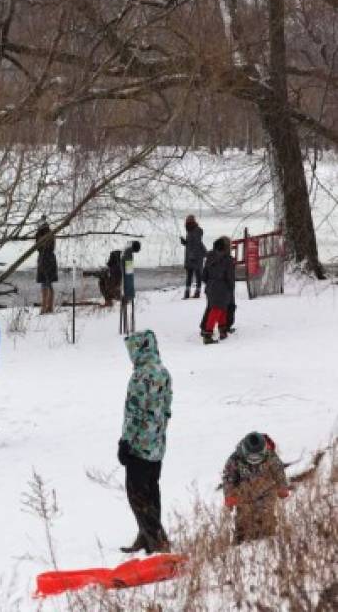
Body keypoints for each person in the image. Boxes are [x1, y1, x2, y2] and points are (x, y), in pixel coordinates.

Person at [117, 329, 172, 555]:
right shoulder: (163, 372)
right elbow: (166, 408)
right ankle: (146, 536)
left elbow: (134, 413)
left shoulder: (141, 376)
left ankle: (157, 543)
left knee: (138, 495)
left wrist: (125, 442)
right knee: (151, 491)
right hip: (157, 444)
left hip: (140, 445)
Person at [222, 432, 290, 544]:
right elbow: (228, 478)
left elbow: (279, 471)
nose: (255, 460)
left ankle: (268, 539)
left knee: (265, 515)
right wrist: (229, 496)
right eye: (252, 457)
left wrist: (282, 487)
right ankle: (241, 543)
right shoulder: (235, 459)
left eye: (258, 456)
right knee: (243, 520)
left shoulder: (270, 456)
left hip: (266, 491)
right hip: (244, 494)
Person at [201, 236, 234, 344]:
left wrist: (210, 283)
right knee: (217, 310)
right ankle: (208, 334)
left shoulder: (209, 256)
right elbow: (229, 276)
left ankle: (222, 330)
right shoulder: (227, 259)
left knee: (221, 309)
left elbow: (204, 275)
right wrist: (230, 287)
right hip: (222, 287)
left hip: (210, 286)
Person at [180, 215, 207, 299]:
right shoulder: (189, 230)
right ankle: (187, 293)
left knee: (198, 274)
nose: (186, 223)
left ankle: (197, 293)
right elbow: (190, 243)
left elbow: (197, 244)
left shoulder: (197, 230)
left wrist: (193, 255)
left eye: (188, 221)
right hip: (190, 256)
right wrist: (184, 242)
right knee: (189, 275)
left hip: (197, 256)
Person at [36, 222, 58, 314]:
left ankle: (46, 308)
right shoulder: (48, 234)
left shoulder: (48, 235)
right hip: (45, 260)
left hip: (47, 261)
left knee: (46, 284)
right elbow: (39, 248)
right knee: (47, 284)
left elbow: (42, 247)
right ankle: (48, 307)